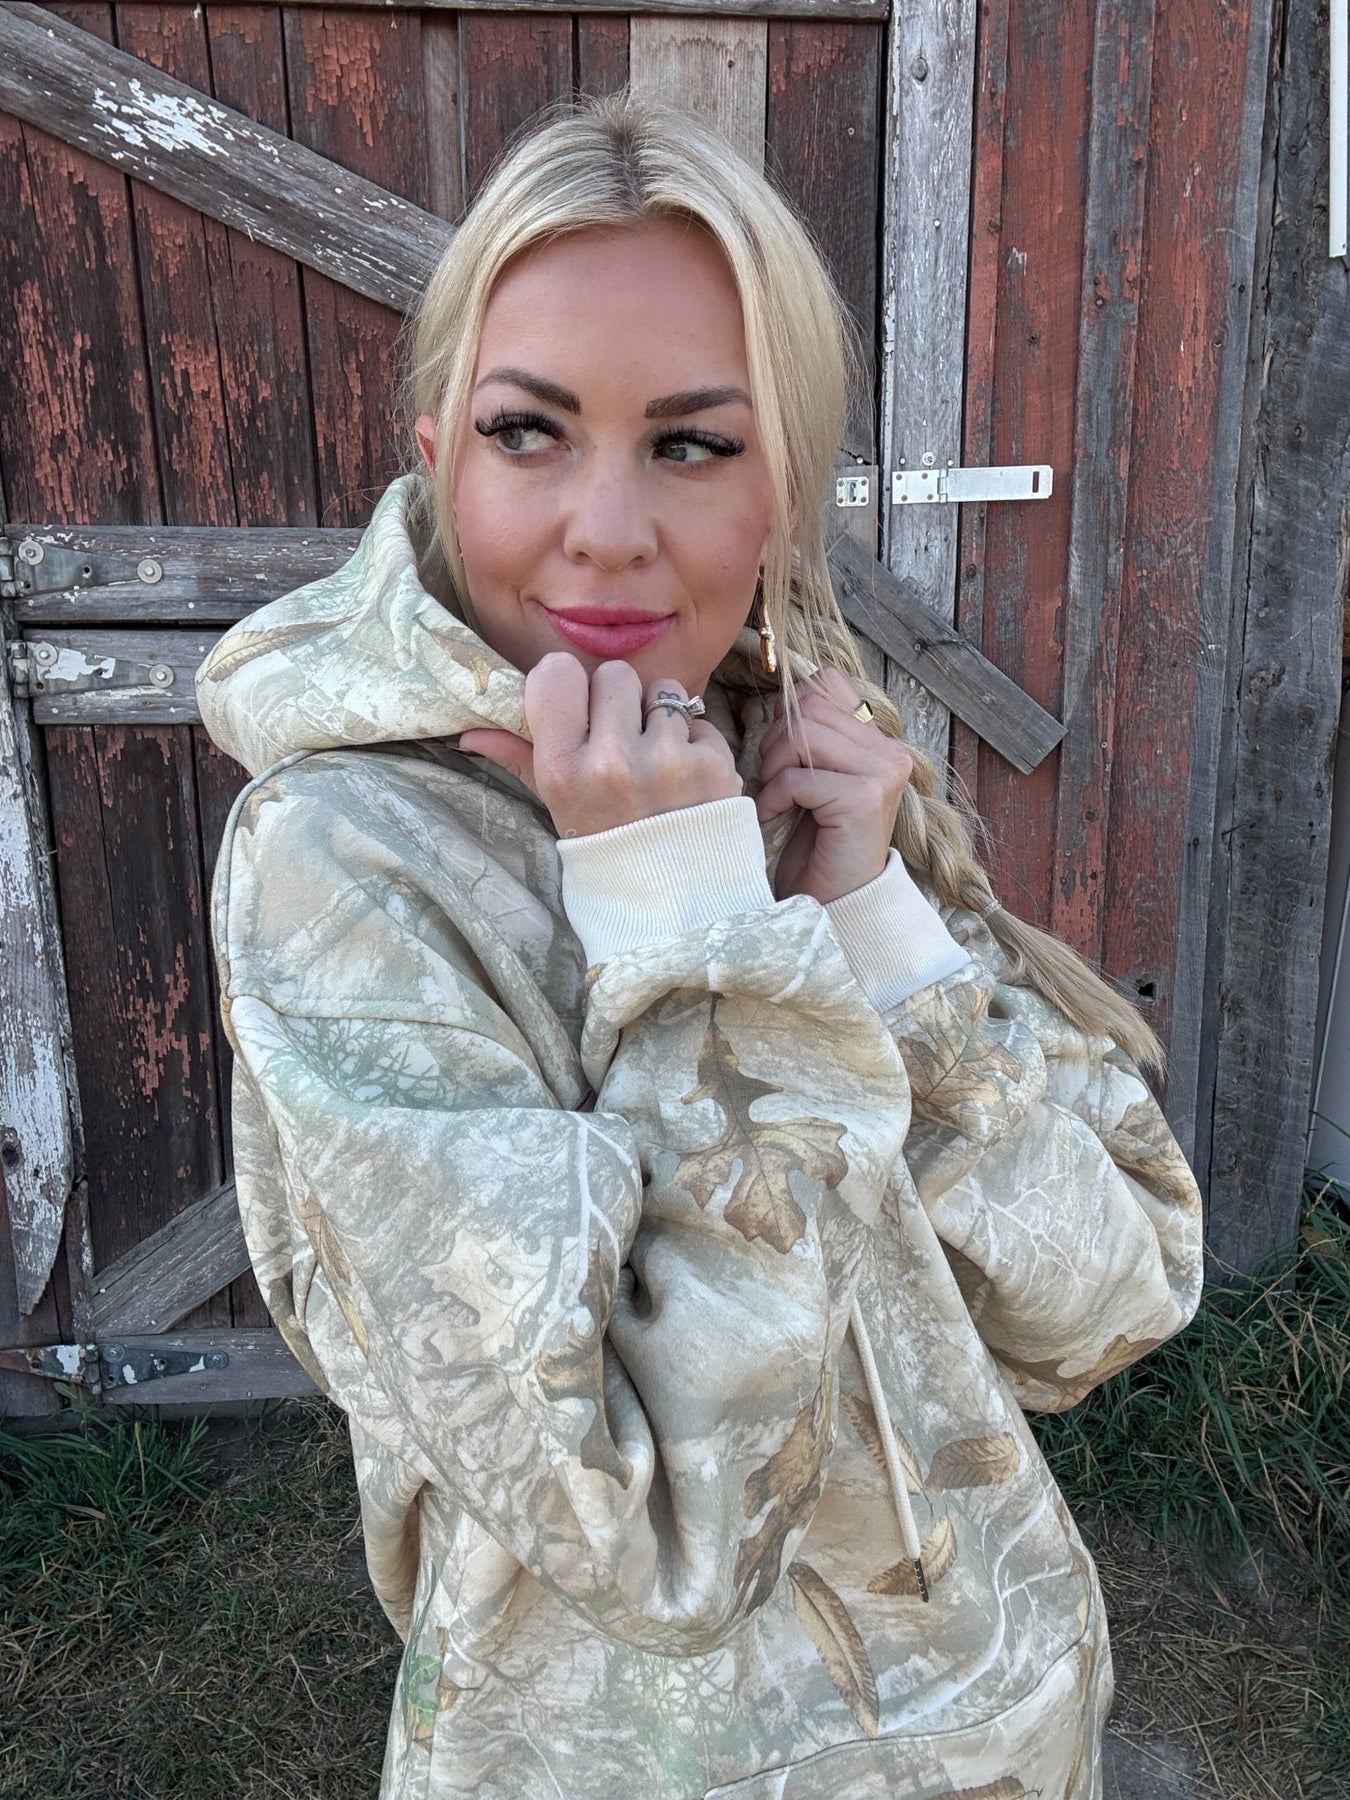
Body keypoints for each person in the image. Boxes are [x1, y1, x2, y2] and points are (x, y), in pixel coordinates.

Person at [197, 93, 1203, 1800]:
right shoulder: (345, 862)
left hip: (1012, 1737)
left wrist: (871, 920)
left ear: (780, 489)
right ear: (437, 451)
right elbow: (657, 1530)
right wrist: (684, 923)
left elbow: (1104, 1302)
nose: (606, 525)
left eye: (689, 444)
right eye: (530, 431)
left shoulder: (792, 757)